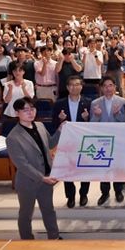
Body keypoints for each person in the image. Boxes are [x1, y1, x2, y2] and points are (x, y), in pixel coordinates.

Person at [5, 97, 60, 240]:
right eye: (25, 110)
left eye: (32, 108)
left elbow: (50, 143)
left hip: (46, 177)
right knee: (26, 213)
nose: (30, 112)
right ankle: (26, 240)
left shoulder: (40, 126)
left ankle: (54, 236)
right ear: (17, 113)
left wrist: (60, 130)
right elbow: (22, 165)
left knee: (49, 210)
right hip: (27, 181)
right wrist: (42, 178)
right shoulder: (13, 137)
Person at [52, 75, 92, 208]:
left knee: (85, 169)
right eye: (71, 85)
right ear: (67, 87)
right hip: (67, 141)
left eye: (77, 84)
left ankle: (84, 194)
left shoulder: (88, 102)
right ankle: (70, 196)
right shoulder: (59, 103)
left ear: (81, 86)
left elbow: (94, 125)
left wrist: (87, 119)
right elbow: (53, 124)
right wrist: (60, 119)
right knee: (68, 169)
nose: (74, 87)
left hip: (83, 141)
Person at [90, 76, 125, 205]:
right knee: (104, 167)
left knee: (117, 166)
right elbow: (91, 124)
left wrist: (117, 114)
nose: (108, 88)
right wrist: (97, 115)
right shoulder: (95, 103)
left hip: (117, 140)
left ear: (115, 87)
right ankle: (104, 193)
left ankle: (118, 191)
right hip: (102, 141)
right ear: (101, 88)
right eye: (105, 86)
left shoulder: (123, 102)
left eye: (110, 85)